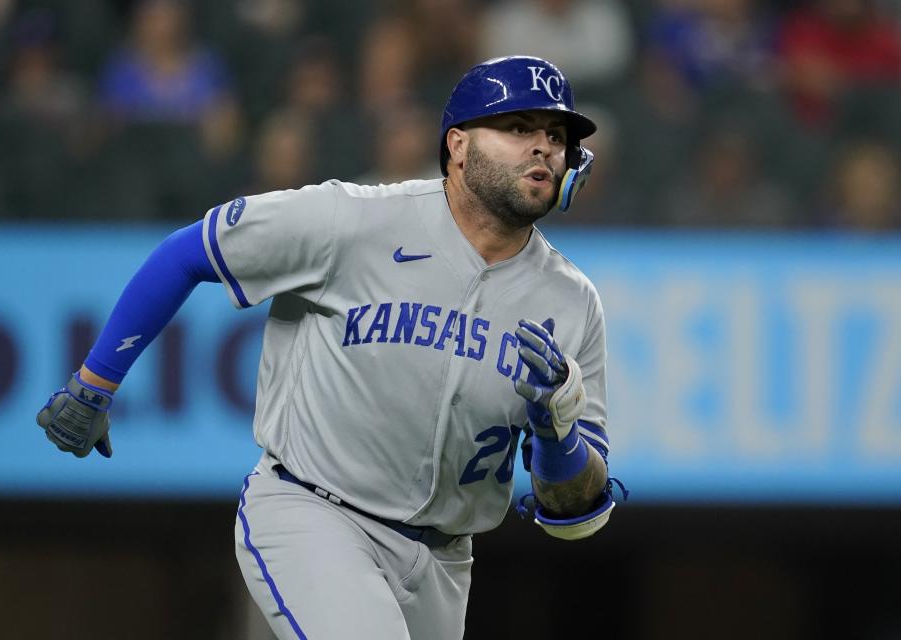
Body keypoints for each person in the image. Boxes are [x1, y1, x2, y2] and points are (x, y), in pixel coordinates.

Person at [34, 55, 622, 640]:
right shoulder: (354, 219)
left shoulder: (572, 303)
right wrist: (94, 383)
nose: (544, 146)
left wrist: (555, 432)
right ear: (459, 145)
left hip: (445, 560)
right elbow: (189, 253)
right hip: (315, 513)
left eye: (557, 135)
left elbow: (573, 513)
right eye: (519, 128)